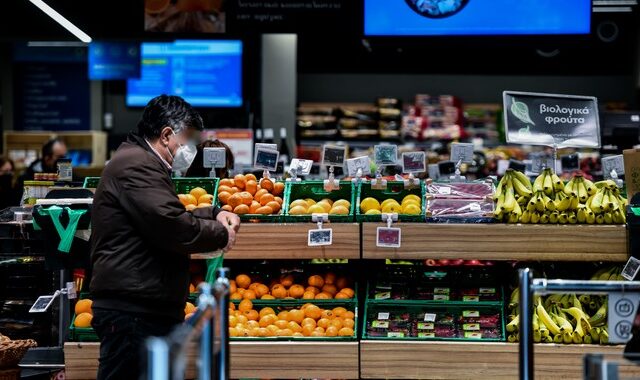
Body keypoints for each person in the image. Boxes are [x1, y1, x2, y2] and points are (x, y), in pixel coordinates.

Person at [89, 95, 240, 380]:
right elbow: (172, 225)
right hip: (133, 310)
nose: (190, 148)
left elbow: (165, 214)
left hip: (142, 305)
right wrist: (222, 233)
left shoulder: (140, 161)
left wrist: (214, 213)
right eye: (187, 139)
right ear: (167, 134)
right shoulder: (138, 165)